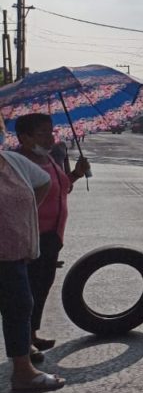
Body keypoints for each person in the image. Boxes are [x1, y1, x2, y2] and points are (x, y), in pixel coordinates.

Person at [15, 114, 90, 356]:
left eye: (51, 132)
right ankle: (23, 345)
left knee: (41, 287)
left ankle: (32, 334)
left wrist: (77, 174)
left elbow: (63, 188)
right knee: (25, 293)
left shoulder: (49, 159)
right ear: (24, 137)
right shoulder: (17, 164)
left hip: (52, 236)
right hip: (29, 237)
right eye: (42, 133)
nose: (49, 138)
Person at [0, 148, 64, 391]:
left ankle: (23, 371)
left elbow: (43, 182)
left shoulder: (12, 161)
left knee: (19, 306)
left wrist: (22, 216)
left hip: (13, 253)